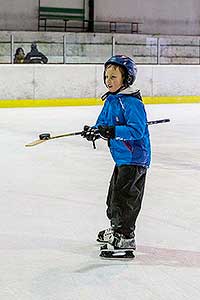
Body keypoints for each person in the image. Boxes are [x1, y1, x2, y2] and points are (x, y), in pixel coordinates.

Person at [82, 55, 151, 253]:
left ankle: (126, 236)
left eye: (113, 77)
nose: (108, 81)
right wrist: (94, 131)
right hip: (122, 159)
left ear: (126, 79)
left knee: (125, 198)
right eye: (106, 76)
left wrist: (112, 131)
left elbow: (136, 131)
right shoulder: (111, 100)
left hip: (135, 158)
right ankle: (116, 229)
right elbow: (103, 123)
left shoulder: (132, 103)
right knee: (113, 197)